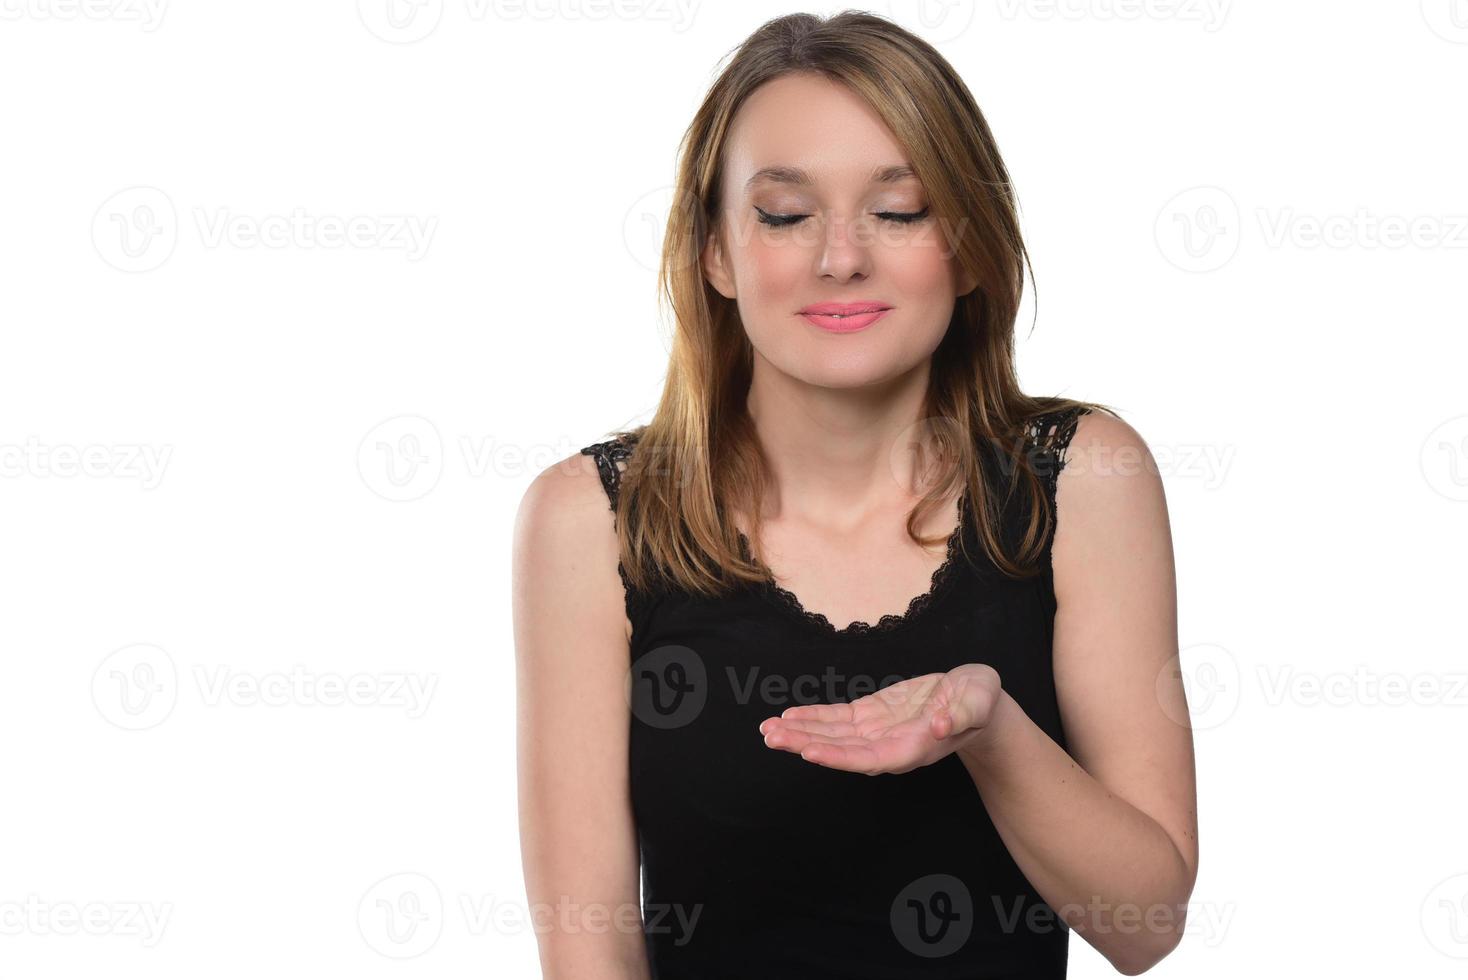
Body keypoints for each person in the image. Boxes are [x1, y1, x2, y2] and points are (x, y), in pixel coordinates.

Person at [514, 11, 1197, 978]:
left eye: (900, 208)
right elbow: (589, 951)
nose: (841, 258)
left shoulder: (1084, 478)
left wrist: (988, 730)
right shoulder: (590, 519)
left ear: (966, 244)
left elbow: (1148, 927)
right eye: (786, 215)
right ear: (716, 253)